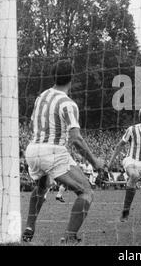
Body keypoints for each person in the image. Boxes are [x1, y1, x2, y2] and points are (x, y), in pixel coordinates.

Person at [21, 59, 104, 243]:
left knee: (41, 187)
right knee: (86, 192)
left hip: (32, 149)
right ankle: (70, 236)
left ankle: (29, 227)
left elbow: (33, 122)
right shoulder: (68, 104)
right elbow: (76, 138)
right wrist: (94, 162)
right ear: (71, 78)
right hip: (53, 151)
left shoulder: (41, 97)